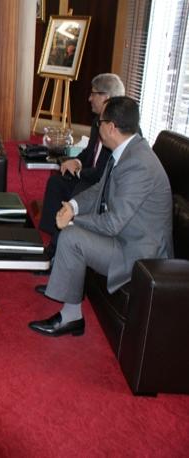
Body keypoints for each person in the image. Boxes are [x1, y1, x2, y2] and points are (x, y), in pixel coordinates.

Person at [28, 96, 173, 337]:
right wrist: (73, 206)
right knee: (73, 230)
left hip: (138, 253)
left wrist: (72, 221)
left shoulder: (139, 164)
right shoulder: (126, 151)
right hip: (126, 236)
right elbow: (99, 189)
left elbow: (113, 223)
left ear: (112, 127)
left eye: (100, 122)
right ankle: (67, 294)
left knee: (72, 236)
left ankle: (71, 317)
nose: (97, 126)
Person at [38, 73, 126, 261]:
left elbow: (102, 173)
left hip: (99, 183)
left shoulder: (119, 130)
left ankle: (55, 251)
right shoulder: (98, 122)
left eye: (93, 94)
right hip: (88, 175)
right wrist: (76, 161)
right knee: (56, 182)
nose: (89, 98)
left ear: (106, 97)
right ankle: (52, 231)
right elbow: (89, 151)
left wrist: (79, 172)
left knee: (78, 192)